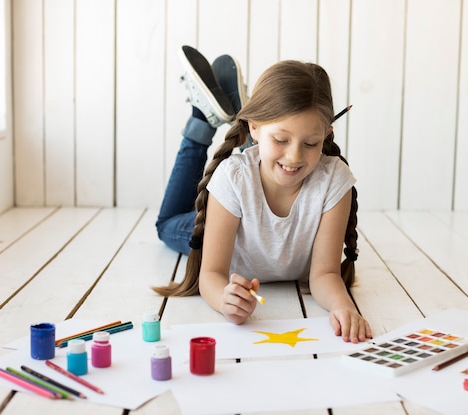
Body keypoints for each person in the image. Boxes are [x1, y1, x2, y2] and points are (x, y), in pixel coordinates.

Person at [154, 45, 371, 343]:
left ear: (326, 135)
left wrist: (344, 306)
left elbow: (324, 274)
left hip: (252, 189)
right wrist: (224, 300)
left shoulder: (334, 180)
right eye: (282, 139)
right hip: (226, 220)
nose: (295, 156)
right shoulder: (232, 178)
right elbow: (211, 274)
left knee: (268, 164)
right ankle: (201, 121)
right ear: (253, 127)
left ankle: (256, 135)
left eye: (310, 143)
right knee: (166, 224)